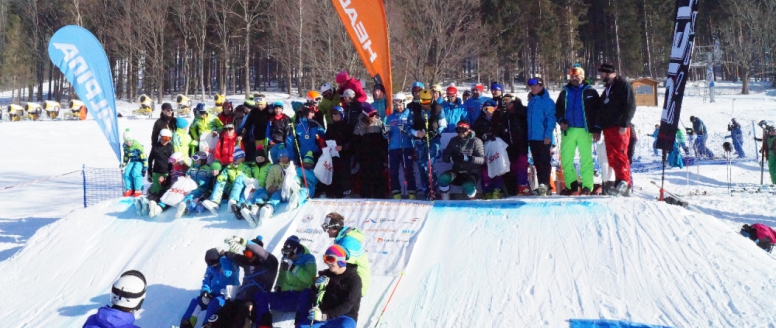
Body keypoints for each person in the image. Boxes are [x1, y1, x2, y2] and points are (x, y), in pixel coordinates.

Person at [205, 235, 279, 328]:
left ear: (258, 254)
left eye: (249, 254)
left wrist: (243, 241)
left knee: (243, 314)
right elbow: (232, 256)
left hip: (255, 302)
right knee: (223, 313)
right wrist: (227, 251)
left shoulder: (271, 265)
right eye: (245, 253)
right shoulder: (247, 263)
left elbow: (263, 253)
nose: (246, 257)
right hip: (239, 299)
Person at [253, 236, 316, 328]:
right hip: (285, 296)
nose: (287, 255)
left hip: (299, 296)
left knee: (307, 293)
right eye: (285, 252)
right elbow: (281, 275)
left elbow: (310, 279)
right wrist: (278, 286)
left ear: (295, 249)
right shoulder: (285, 258)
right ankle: (264, 325)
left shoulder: (309, 258)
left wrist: (293, 268)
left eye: (289, 252)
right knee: (260, 295)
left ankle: (301, 325)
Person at [555, 66, 600, 196]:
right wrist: (561, 120)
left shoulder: (590, 92)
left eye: (577, 76)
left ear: (583, 76)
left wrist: (597, 129)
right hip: (568, 130)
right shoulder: (565, 92)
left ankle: (587, 186)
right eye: (572, 76)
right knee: (566, 159)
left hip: (585, 130)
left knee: (585, 159)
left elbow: (598, 112)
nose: (574, 78)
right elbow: (558, 109)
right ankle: (572, 185)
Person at [596, 63, 637, 196]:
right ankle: (619, 181)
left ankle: (625, 181)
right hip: (608, 128)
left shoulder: (623, 85)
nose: (601, 76)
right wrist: (599, 127)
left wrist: (624, 124)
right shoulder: (608, 89)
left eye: (602, 73)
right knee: (612, 156)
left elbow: (630, 105)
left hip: (620, 127)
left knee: (621, 154)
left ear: (610, 73)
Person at [300, 245, 362, 328]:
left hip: (344, 317)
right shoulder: (325, 275)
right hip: (324, 315)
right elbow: (315, 299)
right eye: (325, 259)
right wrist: (316, 288)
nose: (327, 263)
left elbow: (347, 305)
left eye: (330, 259)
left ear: (341, 260)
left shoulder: (354, 279)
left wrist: (325, 316)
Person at [179, 248, 240, 328]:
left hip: (227, 296)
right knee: (196, 302)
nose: (213, 266)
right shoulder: (211, 267)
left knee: (214, 303)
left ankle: (207, 325)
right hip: (214, 293)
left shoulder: (229, 264)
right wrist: (205, 291)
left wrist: (223, 259)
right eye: (210, 265)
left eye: (214, 264)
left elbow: (228, 273)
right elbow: (207, 280)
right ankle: (186, 324)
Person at [408, 89, 446, 200]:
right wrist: (416, 133)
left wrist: (435, 132)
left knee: (428, 165)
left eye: (427, 102)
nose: (425, 105)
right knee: (421, 166)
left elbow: (443, 124)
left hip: (433, 140)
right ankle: (426, 191)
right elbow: (408, 126)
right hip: (419, 140)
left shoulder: (438, 108)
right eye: (422, 102)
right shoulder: (413, 109)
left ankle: (433, 189)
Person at [322, 213, 370, 296]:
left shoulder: (348, 242)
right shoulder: (342, 239)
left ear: (335, 227)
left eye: (327, 227)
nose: (326, 231)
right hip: (349, 283)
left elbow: (343, 267)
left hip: (355, 286)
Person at [439, 120, 485, 200]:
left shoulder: (476, 141)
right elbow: (445, 157)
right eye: (458, 130)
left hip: (471, 172)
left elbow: (482, 160)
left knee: (467, 185)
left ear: (468, 130)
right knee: (443, 178)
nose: (461, 133)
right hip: (457, 171)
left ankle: (472, 200)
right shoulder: (453, 140)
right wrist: (451, 158)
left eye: (463, 130)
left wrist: (468, 158)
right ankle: (445, 202)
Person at [526, 77, 556, 196]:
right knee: (537, 162)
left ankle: (545, 184)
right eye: (531, 86)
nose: (533, 88)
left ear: (541, 86)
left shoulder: (547, 101)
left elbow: (551, 119)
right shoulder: (532, 101)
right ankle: (542, 186)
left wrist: (548, 135)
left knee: (544, 161)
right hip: (533, 137)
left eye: (535, 86)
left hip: (543, 137)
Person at [384, 93, 417, 199]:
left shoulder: (410, 115)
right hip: (393, 148)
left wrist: (406, 130)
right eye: (396, 105)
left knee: (408, 171)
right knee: (393, 172)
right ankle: (396, 195)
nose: (398, 107)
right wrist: (385, 133)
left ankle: (412, 195)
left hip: (406, 147)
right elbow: (386, 135)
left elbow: (414, 132)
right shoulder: (390, 117)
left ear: (404, 103)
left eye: (400, 104)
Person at [202, 149, 251, 216]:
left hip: (241, 189)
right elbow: (223, 175)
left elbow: (248, 178)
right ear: (237, 158)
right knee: (221, 180)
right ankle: (214, 202)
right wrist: (221, 177)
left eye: (243, 157)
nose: (243, 158)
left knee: (240, 178)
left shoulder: (245, 167)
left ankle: (233, 201)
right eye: (242, 157)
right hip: (231, 188)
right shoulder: (229, 167)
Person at [472, 100, 505, 199]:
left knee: (499, 169)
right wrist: (483, 137)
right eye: (486, 109)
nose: (488, 111)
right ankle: (487, 190)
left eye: (490, 109)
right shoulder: (479, 121)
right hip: (484, 148)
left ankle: (497, 189)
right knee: (486, 171)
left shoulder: (499, 120)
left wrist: (496, 136)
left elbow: (504, 133)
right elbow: (475, 135)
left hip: (498, 148)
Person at [354, 103, 388, 198]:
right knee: (365, 175)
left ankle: (380, 194)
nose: (374, 117)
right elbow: (356, 142)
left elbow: (384, 139)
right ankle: (366, 195)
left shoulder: (379, 123)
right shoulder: (359, 125)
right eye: (371, 115)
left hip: (377, 154)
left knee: (378, 174)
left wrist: (384, 152)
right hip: (364, 155)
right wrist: (358, 154)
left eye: (375, 114)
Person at [323, 106, 353, 198]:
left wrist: (343, 147)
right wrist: (327, 146)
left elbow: (352, 141)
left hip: (344, 155)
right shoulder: (331, 127)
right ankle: (333, 191)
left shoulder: (347, 126)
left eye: (337, 115)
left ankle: (345, 191)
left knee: (344, 173)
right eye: (333, 116)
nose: (335, 118)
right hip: (333, 154)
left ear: (341, 115)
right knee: (333, 173)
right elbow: (326, 139)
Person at [237, 146, 272, 226]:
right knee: (248, 191)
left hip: (265, 187)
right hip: (256, 186)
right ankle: (241, 206)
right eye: (257, 158)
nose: (259, 160)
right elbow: (250, 176)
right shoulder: (253, 167)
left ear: (265, 158)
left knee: (258, 195)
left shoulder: (269, 166)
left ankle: (251, 207)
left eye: (261, 158)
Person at [504, 98, 531, 196]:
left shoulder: (521, 112)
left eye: (510, 103)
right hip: (510, 146)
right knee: (512, 168)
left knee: (521, 166)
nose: (508, 106)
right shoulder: (505, 115)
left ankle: (523, 187)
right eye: (506, 104)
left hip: (521, 144)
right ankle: (516, 189)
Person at [180, 151, 216, 217]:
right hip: (191, 188)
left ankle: (187, 204)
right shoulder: (192, 169)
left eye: (197, 161)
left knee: (194, 196)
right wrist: (186, 178)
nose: (195, 162)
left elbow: (211, 180)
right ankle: (187, 207)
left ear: (202, 160)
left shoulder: (207, 169)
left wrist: (201, 183)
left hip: (202, 189)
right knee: (192, 194)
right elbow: (187, 175)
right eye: (194, 161)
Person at [242, 95, 270, 163]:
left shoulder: (269, 110)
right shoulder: (254, 111)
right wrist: (243, 132)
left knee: (268, 154)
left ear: (265, 103)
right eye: (258, 105)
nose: (260, 107)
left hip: (269, 137)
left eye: (261, 105)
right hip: (258, 136)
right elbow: (248, 123)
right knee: (260, 154)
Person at [121, 129, 147, 197]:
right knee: (126, 172)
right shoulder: (125, 146)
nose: (128, 143)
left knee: (136, 172)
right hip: (132, 161)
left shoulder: (137, 146)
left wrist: (145, 168)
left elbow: (144, 157)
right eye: (126, 141)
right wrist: (124, 163)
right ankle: (129, 189)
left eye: (130, 141)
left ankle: (138, 189)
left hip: (140, 161)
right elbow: (126, 156)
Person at [147, 128, 174, 196]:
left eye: (168, 139)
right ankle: (151, 197)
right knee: (156, 189)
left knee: (165, 189)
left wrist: (171, 172)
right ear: (160, 137)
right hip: (156, 171)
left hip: (166, 172)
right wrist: (149, 172)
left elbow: (173, 160)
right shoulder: (155, 147)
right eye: (164, 138)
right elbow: (150, 159)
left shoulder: (170, 147)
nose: (165, 141)